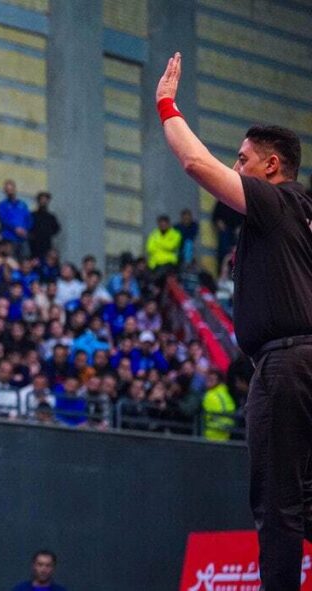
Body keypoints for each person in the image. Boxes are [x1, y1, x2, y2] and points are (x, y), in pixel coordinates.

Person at [158, 52, 312, 588]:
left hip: (286, 365)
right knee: (305, 498)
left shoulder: (276, 201)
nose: (236, 166)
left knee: (277, 500)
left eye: (243, 159)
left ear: (271, 166)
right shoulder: (302, 214)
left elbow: (196, 165)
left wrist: (166, 105)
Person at [28, 191, 60, 260]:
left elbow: (57, 229)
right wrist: (32, 235)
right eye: (42, 199)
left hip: (47, 245)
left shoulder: (51, 217)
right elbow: (27, 228)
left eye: (45, 200)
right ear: (38, 201)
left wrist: (48, 233)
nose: (44, 202)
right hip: (34, 245)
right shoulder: (32, 215)